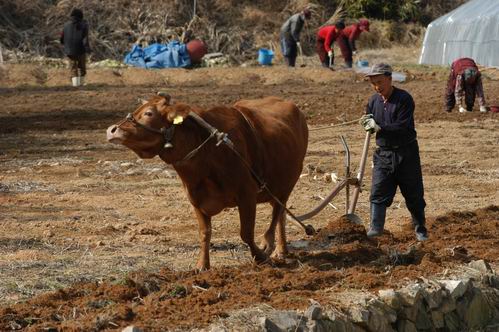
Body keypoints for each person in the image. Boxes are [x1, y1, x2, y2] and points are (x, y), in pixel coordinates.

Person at [360, 63, 428, 241]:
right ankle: (376, 228)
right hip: (383, 153)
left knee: (413, 193)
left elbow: (402, 126)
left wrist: (379, 127)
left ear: (390, 79)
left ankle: (420, 228)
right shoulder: (373, 101)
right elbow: (369, 118)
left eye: (380, 82)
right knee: (378, 190)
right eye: (373, 83)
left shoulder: (404, 99)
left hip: (406, 153)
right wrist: (366, 121)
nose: (377, 87)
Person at [60, 8, 90, 87]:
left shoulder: (66, 25)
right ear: (81, 16)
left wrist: (64, 45)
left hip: (69, 50)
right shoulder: (84, 25)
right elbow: (85, 39)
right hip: (80, 49)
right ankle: (82, 83)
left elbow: (62, 38)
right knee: (81, 66)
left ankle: (75, 84)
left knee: (73, 67)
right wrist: (87, 48)